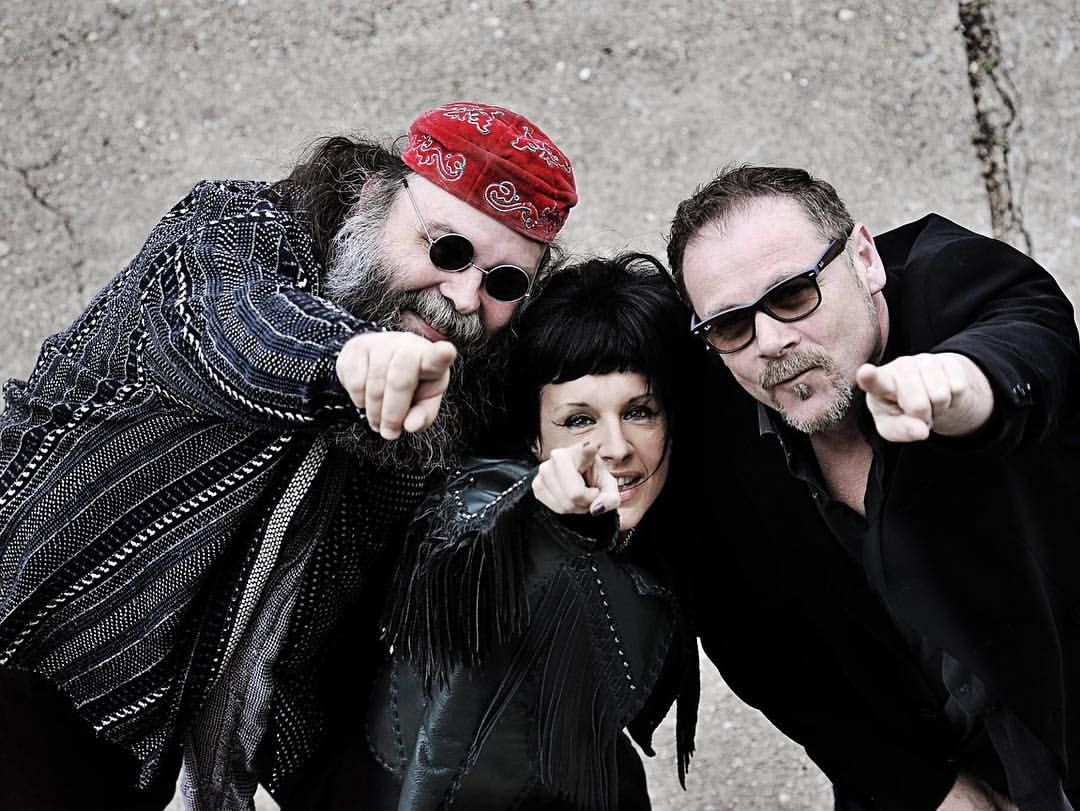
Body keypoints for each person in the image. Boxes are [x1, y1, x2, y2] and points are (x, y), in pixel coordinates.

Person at [0, 100, 577, 811]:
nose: (463, 296)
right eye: (447, 249)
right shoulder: (228, 230)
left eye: (503, 282)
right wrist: (350, 362)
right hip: (22, 660)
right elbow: (236, 333)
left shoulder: (440, 414)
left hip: (137, 759)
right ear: (375, 194)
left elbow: (310, 644)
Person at [665, 164, 1080, 811]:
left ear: (864, 258)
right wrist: (917, 786)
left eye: (794, 293)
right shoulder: (720, 433)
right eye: (730, 326)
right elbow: (760, 647)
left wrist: (963, 387)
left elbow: (1027, 334)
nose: (769, 342)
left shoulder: (953, 279)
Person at [356, 254, 704, 810]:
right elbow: (469, 539)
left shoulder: (662, 522)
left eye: (639, 411)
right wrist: (547, 522)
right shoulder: (492, 497)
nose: (616, 447)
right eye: (579, 420)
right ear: (535, 437)